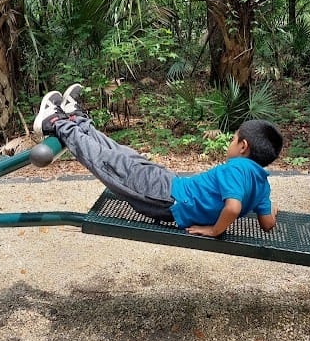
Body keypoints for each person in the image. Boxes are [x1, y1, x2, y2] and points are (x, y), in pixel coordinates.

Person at [33, 84, 283, 237]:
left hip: (165, 197)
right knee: (119, 155)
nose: (231, 142)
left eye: (234, 138)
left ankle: (56, 123)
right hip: (168, 186)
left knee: (108, 161)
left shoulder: (238, 167)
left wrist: (215, 230)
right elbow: (268, 224)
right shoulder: (262, 185)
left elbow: (233, 207)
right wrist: (270, 210)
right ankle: (77, 120)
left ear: (243, 147)